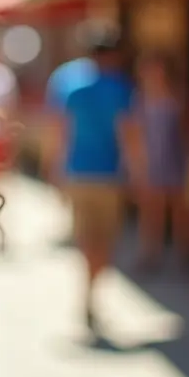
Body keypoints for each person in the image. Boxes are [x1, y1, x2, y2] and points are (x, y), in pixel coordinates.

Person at [46, 21, 134, 332]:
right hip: (108, 174)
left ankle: (88, 294)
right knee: (105, 241)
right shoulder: (119, 86)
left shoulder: (65, 80)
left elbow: (59, 132)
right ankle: (91, 294)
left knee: (86, 239)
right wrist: (136, 170)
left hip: (76, 172)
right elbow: (127, 134)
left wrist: (54, 171)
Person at [123, 52, 189, 270]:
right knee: (151, 212)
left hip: (177, 160)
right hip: (150, 163)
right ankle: (150, 254)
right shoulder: (139, 98)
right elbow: (133, 133)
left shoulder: (179, 95)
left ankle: (186, 256)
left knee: (182, 211)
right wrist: (136, 166)